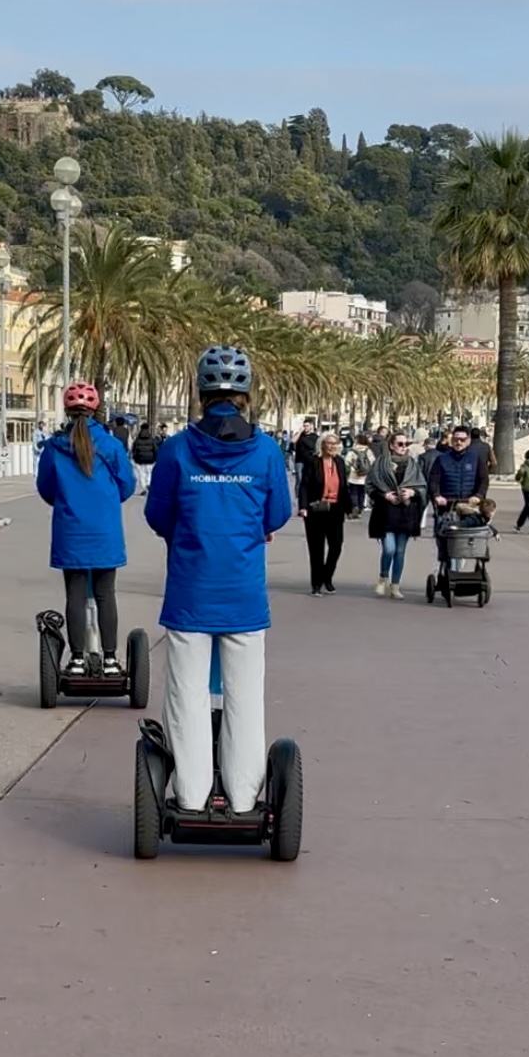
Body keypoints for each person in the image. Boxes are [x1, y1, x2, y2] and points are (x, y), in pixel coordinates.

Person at [144, 345, 291, 813]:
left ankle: (189, 794)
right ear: (247, 394)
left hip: (190, 589)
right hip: (244, 593)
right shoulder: (266, 451)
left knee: (186, 695)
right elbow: (279, 513)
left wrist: (190, 534)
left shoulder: (176, 449)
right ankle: (245, 798)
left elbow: (158, 514)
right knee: (245, 697)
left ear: (200, 393)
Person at [36, 379, 135, 673]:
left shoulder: (54, 448)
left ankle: (77, 659)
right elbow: (127, 485)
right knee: (106, 594)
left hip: (71, 530)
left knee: (75, 596)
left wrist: (67, 502)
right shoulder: (111, 445)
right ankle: (110, 659)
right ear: (96, 410)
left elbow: (45, 488)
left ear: (66, 411)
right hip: (105, 531)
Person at [367, 431, 423, 598]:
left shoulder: (412, 464)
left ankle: (396, 585)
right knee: (389, 548)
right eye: (400, 444)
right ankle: (383, 577)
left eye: (406, 444)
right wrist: (384, 495)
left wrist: (412, 493)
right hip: (385, 511)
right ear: (391, 445)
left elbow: (422, 486)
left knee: (400, 551)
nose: (403, 447)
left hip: (406, 512)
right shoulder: (380, 464)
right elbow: (370, 486)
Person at [298, 431, 353, 593]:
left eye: (335, 443)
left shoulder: (340, 463)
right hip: (316, 509)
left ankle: (326, 576)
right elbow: (304, 485)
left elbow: (344, 487)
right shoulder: (313, 462)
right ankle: (316, 584)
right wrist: (303, 507)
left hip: (335, 510)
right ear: (322, 445)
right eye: (329, 443)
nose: (332, 446)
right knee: (316, 549)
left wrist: (349, 509)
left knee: (336, 546)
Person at [292, 419, 319, 502]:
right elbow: (293, 441)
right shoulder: (300, 435)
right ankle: (298, 496)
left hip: (310, 460)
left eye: (307, 426)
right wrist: (300, 432)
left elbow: (317, 447)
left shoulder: (315, 437)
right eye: (304, 426)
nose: (305, 427)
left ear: (311, 426)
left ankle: (306, 494)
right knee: (299, 478)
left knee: (308, 478)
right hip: (299, 460)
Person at [131, 420, 159, 493]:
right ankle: (148, 484)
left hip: (140, 459)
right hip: (150, 459)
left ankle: (144, 487)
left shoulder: (137, 439)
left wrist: (134, 457)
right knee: (149, 473)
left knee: (142, 474)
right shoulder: (151, 438)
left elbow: (134, 449)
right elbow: (155, 448)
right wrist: (156, 457)